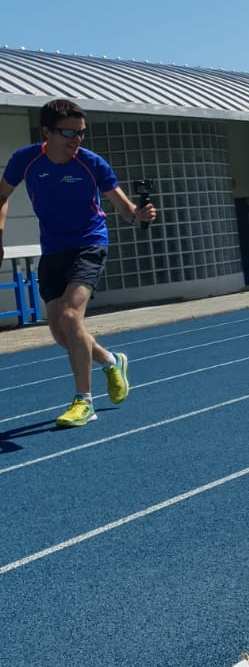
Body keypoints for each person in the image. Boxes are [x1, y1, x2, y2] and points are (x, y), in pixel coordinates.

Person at [0, 98, 157, 427]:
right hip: (53, 249)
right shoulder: (25, 160)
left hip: (89, 244)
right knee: (61, 332)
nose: (77, 140)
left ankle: (84, 401)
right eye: (69, 132)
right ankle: (111, 361)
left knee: (71, 317)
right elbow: (1, 196)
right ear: (47, 132)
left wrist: (139, 215)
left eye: (81, 133)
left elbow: (125, 209)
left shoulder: (92, 163)